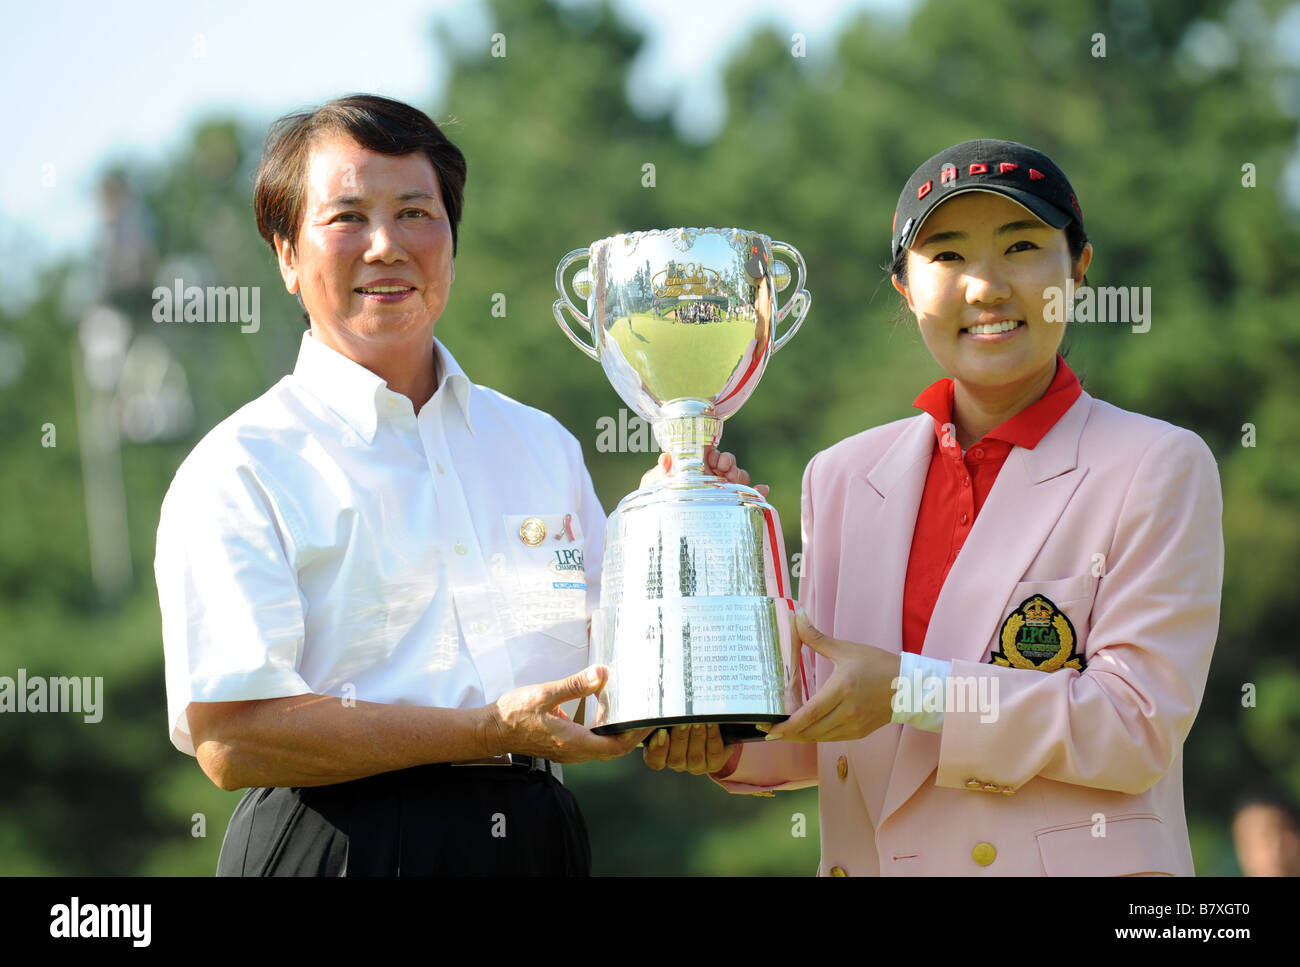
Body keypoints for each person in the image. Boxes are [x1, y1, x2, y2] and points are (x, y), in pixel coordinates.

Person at [155, 93, 758, 876]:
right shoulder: (241, 464)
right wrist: (484, 729)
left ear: (451, 239)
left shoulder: (540, 444)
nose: (385, 246)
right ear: (286, 254)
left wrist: (685, 528)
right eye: (346, 218)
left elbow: (615, 672)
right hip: (335, 842)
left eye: (415, 212)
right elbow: (234, 737)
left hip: (538, 836)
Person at [644, 139, 1225, 877]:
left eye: (1020, 246)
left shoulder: (1156, 465)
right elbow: (840, 722)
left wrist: (911, 689)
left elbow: (1132, 726)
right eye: (947, 257)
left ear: (1077, 269)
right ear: (905, 289)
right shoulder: (843, 475)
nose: (985, 287)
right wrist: (720, 726)